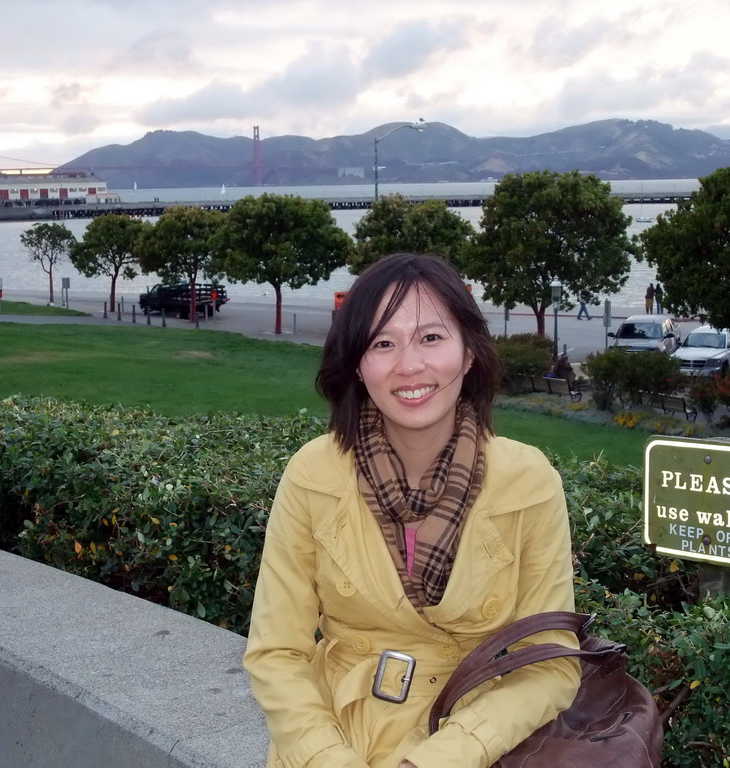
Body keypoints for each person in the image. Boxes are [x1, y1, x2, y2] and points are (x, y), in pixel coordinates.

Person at [244, 253, 581, 768]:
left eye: (431, 337)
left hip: (471, 738)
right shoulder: (314, 474)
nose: (409, 365)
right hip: (335, 736)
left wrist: (438, 759)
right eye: (383, 343)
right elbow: (276, 653)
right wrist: (326, 757)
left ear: (468, 353)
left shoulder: (528, 481)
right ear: (357, 363)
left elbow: (550, 664)